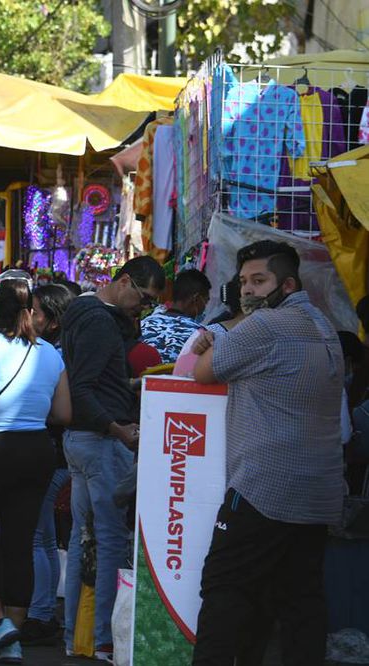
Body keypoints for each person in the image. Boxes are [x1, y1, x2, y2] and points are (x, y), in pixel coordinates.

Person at [190, 241, 345, 665]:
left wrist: (223, 335)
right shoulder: (324, 325)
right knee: (300, 600)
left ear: (288, 283)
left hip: (263, 487)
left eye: (259, 281)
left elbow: (202, 372)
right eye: (242, 282)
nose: (249, 291)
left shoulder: (264, 327)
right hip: (319, 492)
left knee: (224, 588)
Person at [59, 255, 165, 662]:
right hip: (101, 440)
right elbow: (84, 387)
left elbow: (89, 381)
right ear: (123, 282)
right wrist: (116, 428)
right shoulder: (101, 321)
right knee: (108, 541)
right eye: (144, 298)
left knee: (83, 537)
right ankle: (103, 638)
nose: (144, 307)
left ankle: (78, 637)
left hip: (82, 440)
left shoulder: (83, 312)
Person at [0, 277, 71, 662]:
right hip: (37, 450)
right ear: (30, 313)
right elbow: (63, 413)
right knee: (19, 543)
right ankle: (14, 635)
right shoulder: (50, 354)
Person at [22, 283, 76, 646]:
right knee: (42, 537)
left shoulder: (53, 355)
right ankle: (42, 612)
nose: (30, 317)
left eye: (36, 311)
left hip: (52, 456)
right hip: (54, 456)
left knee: (40, 538)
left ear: (53, 321)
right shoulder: (54, 351)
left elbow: (60, 413)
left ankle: (41, 614)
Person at [140, 268, 211, 363]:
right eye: (205, 301)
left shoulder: (145, 323)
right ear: (196, 298)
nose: (204, 307)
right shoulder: (200, 335)